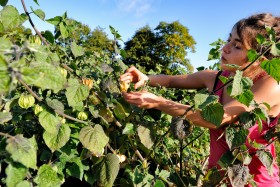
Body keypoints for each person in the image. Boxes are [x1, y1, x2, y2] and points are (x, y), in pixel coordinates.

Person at [120, 13, 280, 186]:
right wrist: (145, 78)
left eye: (237, 46)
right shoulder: (219, 78)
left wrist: (159, 102)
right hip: (216, 180)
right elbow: (172, 80)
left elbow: (217, 119)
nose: (225, 48)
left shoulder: (271, 85)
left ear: (260, 58)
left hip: (256, 182)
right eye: (229, 39)